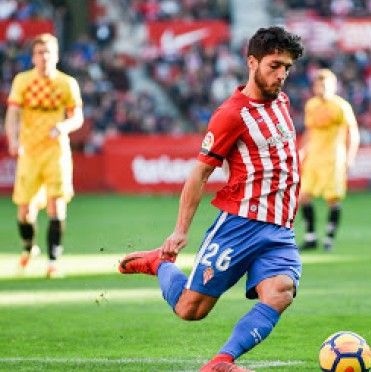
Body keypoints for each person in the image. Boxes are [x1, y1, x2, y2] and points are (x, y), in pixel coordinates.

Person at [118, 26, 304, 372]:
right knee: (191, 309)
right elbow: (199, 174)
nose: (281, 75)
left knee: (280, 291)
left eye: (287, 68)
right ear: (252, 62)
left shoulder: (282, 101)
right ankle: (161, 264)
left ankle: (221, 362)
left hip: (279, 229)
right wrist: (180, 231)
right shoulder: (231, 115)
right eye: (274, 66)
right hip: (239, 226)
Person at [5, 33, 84, 278]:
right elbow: (12, 114)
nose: (44, 57)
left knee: (56, 206)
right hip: (29, 152)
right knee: (25, 211)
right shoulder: (22, 81)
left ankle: (53, 262)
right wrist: (13, 140)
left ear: (57, 56)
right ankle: (29, 248)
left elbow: (77, 117)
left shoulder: (67, 84)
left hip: (56, 152)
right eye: (40, 52)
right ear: (33, 57)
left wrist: (63, 127)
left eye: (49, 52)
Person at [298, 69, 360, 251]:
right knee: (304, 197)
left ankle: (329, 239)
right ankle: (311, 237)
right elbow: (309, 131)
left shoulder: (341, 106)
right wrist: (302, 151)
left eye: (325, 85)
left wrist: (350, 157)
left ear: (334, 86)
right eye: (318, 85)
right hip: (314, 158)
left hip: (333, 159)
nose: (321, 88)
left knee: (333, 200)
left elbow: (353, 132)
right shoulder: (311, 105)